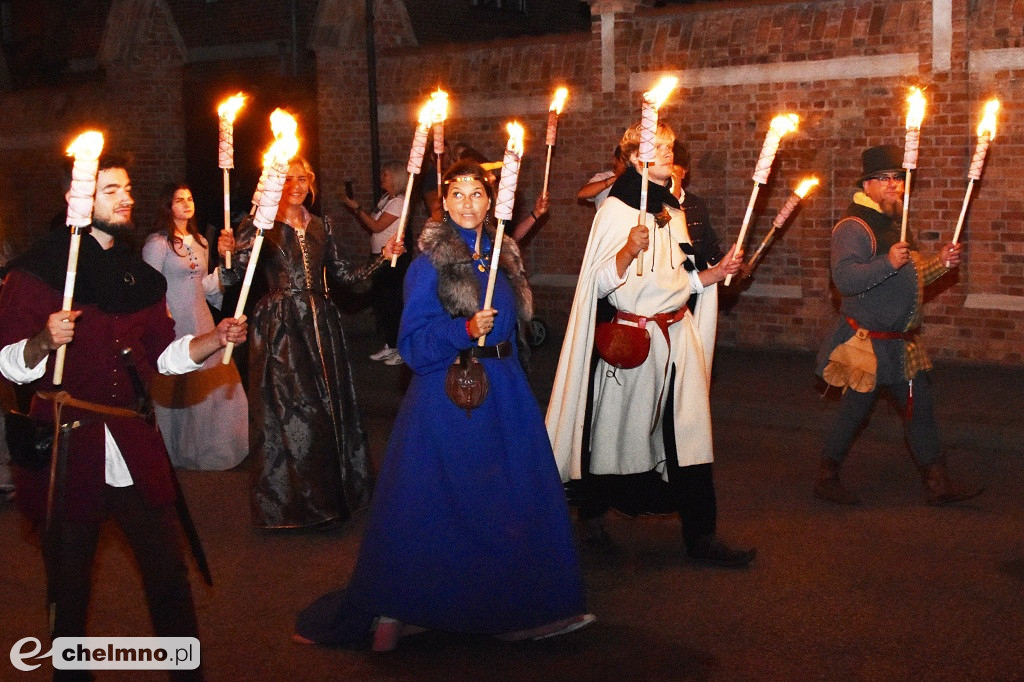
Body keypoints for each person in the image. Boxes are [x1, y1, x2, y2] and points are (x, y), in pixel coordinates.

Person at [294, 160, 593, 650]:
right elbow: (412, 344)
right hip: (449, 395)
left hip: (504, 392)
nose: (469, 202)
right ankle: (401, 604)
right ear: (444, 202)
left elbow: (514, 332)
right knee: (431, 507)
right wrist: (463, 330)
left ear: (491, 201)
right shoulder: (428, 263)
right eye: (458, 194)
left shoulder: (503, 255)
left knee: (512, 499)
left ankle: (525, 605)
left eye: (478, 193)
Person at [0, 153, 247, 679]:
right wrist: (44, 340)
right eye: (111, 190)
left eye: (127, 188)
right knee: (68, 587)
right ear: (79, 198)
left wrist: (212, 340)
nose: (126, 198)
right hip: (67, 448)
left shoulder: (140, 276)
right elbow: (10, 367)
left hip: (134, 446)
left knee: (168, 577)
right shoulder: (35, 272)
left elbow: (164, 358)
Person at [546, 122, 756, 568]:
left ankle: (702, 537)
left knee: (689, 439)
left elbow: (680, 281)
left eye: (668, 144)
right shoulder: (617, 210)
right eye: (656, 146)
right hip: (635, 342)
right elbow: (598, 285)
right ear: (636, 157)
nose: (667, 151)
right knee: (616, 438)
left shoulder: (673, 210)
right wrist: (624, 252)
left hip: (676, 339)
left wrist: (714, 276)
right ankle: (590, 513)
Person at [218, 156, 403, 530]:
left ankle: (335, 496)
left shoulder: (322, 224)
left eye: (303, 177)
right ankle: (293, 504)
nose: (298, 184)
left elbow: (343, 275)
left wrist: (383, 258)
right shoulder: (260, 224)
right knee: (293, 412)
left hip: (322, 321)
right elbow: (233, 274)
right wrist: (226, 251)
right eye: (289, 178)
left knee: (329, 407)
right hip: (281, 328)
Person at [815, 144, 984, 506]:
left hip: (901, 345)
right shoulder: (854, 226)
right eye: (884, 178)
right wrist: (887, 263)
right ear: (868, 185)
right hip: (868, 345)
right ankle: (826, 474)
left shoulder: (895, 222)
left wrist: (940, 262)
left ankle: (937, 482)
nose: (894, 184)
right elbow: (844, 279)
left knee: (918, 409)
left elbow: (913, 271)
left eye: (898, 178)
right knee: (855, 411)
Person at [142, 184, 248, 470]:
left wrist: (227, 266)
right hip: (173, 320)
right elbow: (150, 288)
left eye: (190, 198)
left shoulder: (201, 241)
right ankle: (170, 448)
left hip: (200, 318)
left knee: (211, 381)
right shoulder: (158, 243)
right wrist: (158, 322)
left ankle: (207, 448)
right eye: (179, 199)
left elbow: (205, 287)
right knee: (175, 385)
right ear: (168, 206)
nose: (187, 204)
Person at [340, 162, 410, 366]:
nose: (382, 177)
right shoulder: (386, 199)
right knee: (382, 302)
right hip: (381, 257)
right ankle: (389, 344)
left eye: (386, 175)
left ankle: (399, 348)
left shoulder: (398, 202)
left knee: (393, 302)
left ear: (396, 178)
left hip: (394, 259)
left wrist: (357, 208)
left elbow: (376, 226)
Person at [576, 145, 627, 211]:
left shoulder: (636, 179)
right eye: (623, 161)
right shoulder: (603, 177)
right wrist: (610, 181)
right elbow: (582, 194)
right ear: (615, 160)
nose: (626, 165)